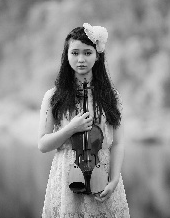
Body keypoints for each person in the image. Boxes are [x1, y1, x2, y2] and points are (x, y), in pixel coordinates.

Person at [38, 23, 130, 218]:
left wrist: (113, 182)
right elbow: (43, 144)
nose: (81, 59)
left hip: (102, 176)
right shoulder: (53, 97)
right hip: (66, 178)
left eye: (88, 53)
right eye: (75, 53)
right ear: (67, 55)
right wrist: (71, 128)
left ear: (98, 56)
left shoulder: (111, 97)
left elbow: (118, 143)